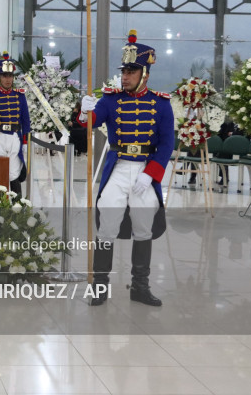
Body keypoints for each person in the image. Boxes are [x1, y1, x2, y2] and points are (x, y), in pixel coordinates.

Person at [79, 29, 174, 307]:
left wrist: (151, 173)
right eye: (124, 71)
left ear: (144, 73)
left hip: (145, 169)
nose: (125, 76)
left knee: (144, 227)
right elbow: (90, 124)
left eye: (132, 71)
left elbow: (168, 144)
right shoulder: (111, 99)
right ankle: (100, 287)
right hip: (119, 168)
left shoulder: (161, 104)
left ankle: (139, 287)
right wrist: (85, 110)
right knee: (106, 222)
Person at [0, 52, 31, 196]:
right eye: (4, 76)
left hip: (15, 136)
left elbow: (25, 119)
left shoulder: (19, 95)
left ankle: (18, 207)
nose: (8, 80)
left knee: (14, 172)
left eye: (10, 76)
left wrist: (25, 140)